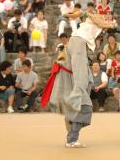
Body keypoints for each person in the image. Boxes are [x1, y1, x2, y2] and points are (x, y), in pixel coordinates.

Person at [41, 11, 115, 148]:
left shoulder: (74, 39)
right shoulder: (79, 43)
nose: (99, 36)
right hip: (72, 80)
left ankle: (72, 137)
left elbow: (62, 59)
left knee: (75, 110)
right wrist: (78, 90)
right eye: (99, 32)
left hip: (65, 78)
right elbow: (79, 69)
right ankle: (72, 139)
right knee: (85, 108)